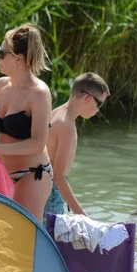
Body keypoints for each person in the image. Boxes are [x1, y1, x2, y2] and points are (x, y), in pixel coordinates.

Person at [0, 23, 54, 221]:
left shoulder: (39, 93)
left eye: (2, 53)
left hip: (31, 174)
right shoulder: (0, 86)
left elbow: (38, 144)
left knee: (24, 234)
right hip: (0, 172)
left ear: (19, 59)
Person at [46, 73, 110, 219]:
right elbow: (59, 177)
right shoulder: (67, 126)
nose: (98, 110)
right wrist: (84, 218)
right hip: (52, 194)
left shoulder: (55, 113)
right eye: (99, 104)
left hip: (42, 187)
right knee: (52, 240)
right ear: (88, 98)